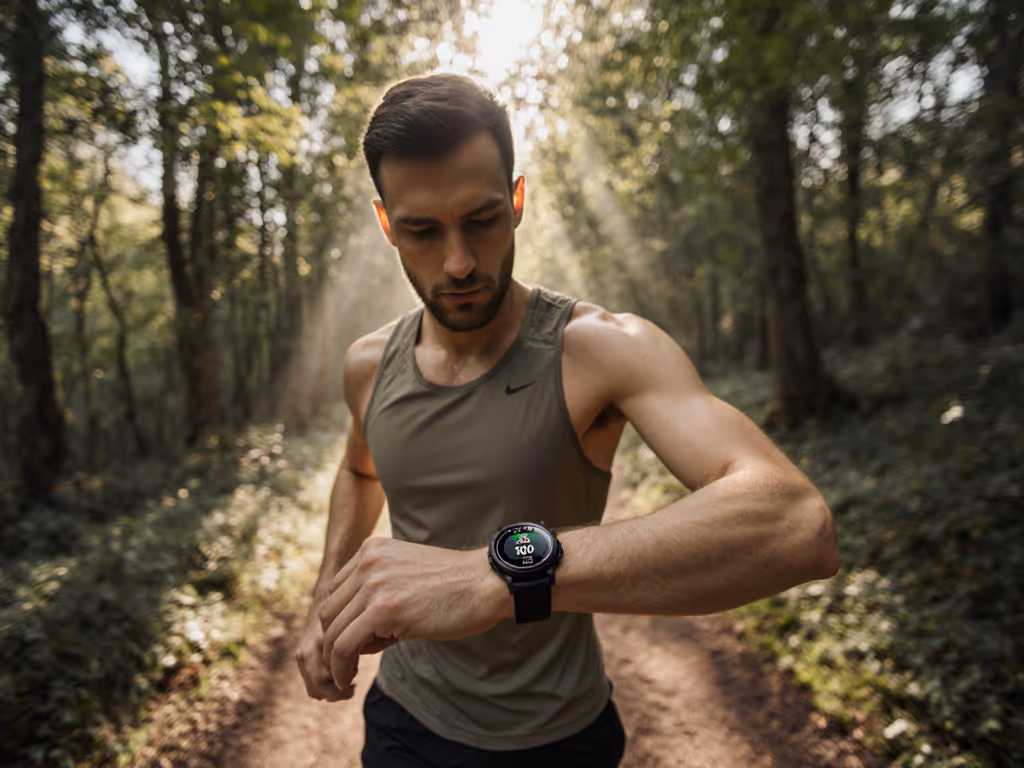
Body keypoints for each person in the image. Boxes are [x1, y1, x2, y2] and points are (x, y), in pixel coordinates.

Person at [294, 73, 840, 768]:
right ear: (386, 226)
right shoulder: (369, 364)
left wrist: (494, 577)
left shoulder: (604, 348)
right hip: (403, 718)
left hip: (555, 739)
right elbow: (358, 468)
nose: (458, 262)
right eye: (423, 231)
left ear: (517, 202)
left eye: (483, 219)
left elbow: (797, 524)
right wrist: (326, 594)